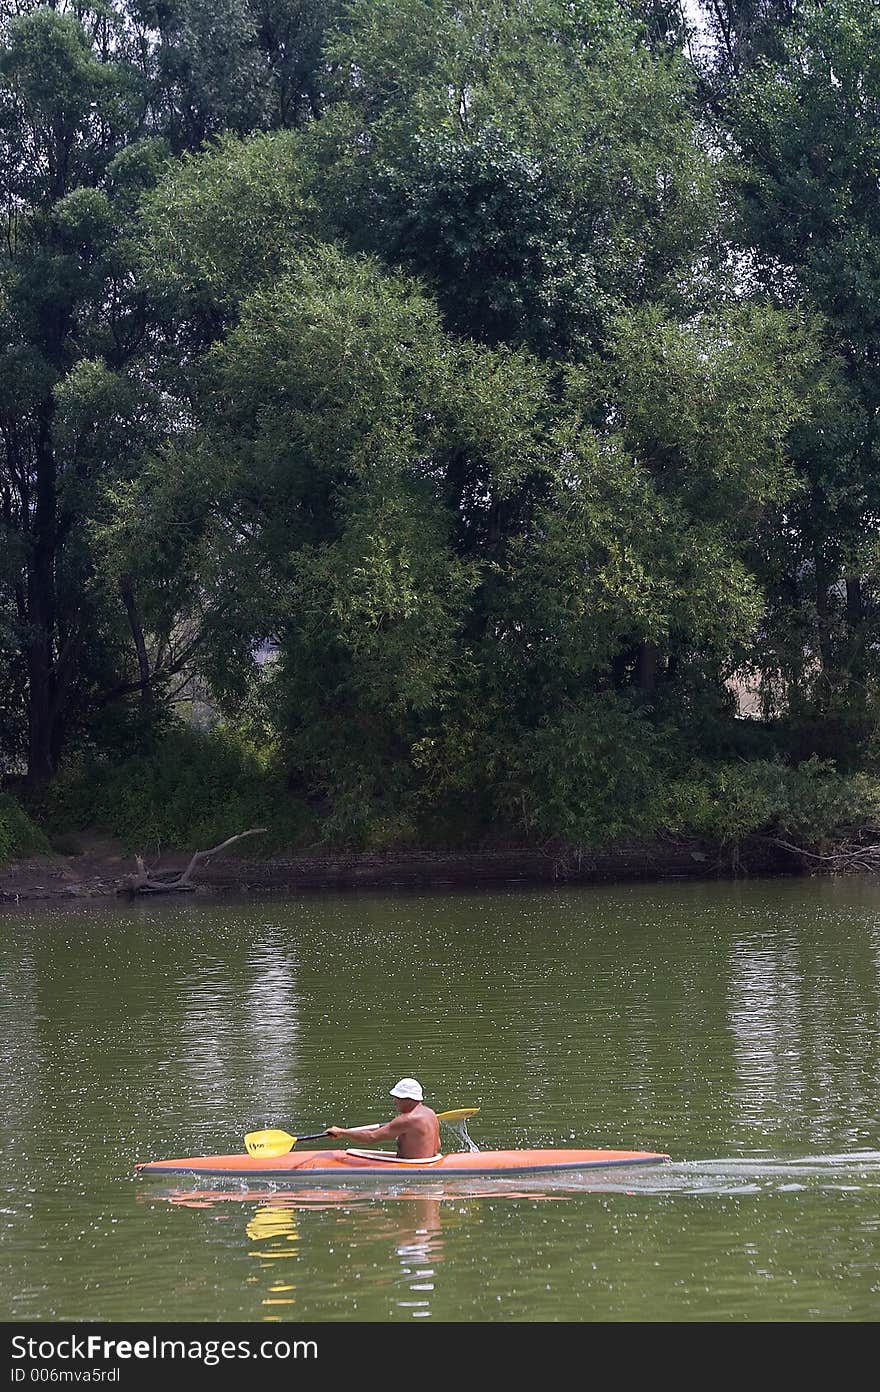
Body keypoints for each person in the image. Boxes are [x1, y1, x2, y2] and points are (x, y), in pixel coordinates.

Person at [326, 1078, 441, 1159]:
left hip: (413, 1168)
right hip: (429, 1162)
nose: (394, 1101)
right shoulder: (430, 1114)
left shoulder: (406, 1120)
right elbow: (438, 1145)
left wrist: (342, 1132)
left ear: (408, 1099)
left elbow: (371, 1137)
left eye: (397, 1097)